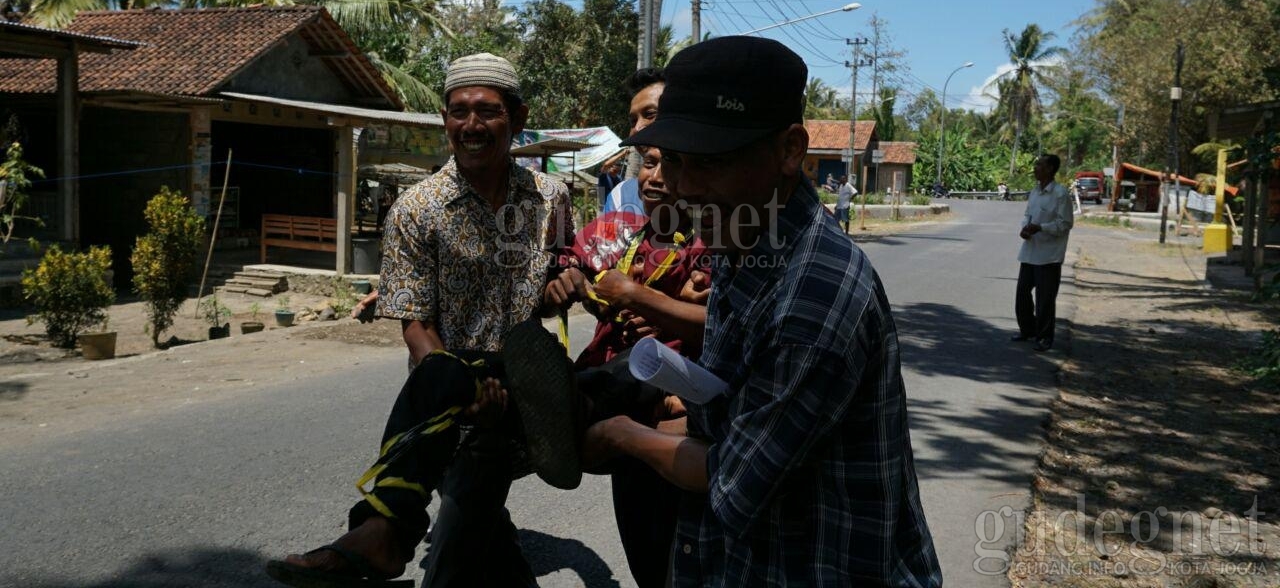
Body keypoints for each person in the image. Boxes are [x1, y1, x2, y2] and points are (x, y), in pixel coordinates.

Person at [583, 36, 942, 587]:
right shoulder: (742, 241)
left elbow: (730, 479)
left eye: (710, 163)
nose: (679, 186)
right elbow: (726, 406)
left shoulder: (810, 304)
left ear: (789, 150)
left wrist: (622, 436)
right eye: (672, 161)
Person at [269, 52, 576, 588]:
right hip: (446, 388)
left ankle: (384, 533)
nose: (471, 126)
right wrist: (462, 390)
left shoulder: (551, 198)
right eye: (459, 112)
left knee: (470, 512)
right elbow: (414, 323)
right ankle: (386, 533)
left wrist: (560, 288)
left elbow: (553, 286)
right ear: (444, 119)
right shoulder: (416, 208)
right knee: (471, 511)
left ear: (518, 119)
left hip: (525, 383)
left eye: (488, 111)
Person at [545, 144, 709, 588]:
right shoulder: (619, 231)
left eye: (670, 163)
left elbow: (723, 327)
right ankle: (549, 411)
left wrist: (655, 308)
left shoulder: (706, 244)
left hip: (668, 399)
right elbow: (564, 267)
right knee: (644, 550)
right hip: (615, 391)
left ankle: (553, 419)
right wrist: (570, 282)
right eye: (648, 164)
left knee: (670, 548)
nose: (655, 177)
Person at [1012, 154, 1073, 351]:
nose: (1035, 168)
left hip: (1049, 255)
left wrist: (1041, 228)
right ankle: (1027, 330)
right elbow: (1027, 215)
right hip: (1030, 252)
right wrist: (1025, 228)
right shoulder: (1034, 193)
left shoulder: (1060, 194)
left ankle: (1045, 336)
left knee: (1045, 298)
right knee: (1022, 293)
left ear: (1050, 169)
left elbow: (1065, 224)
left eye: (1039, 165)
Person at [603, 68, 664, 217]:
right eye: (633, 121)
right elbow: (605, 239)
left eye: (650, 115)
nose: (637, 128)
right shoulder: (620, 197)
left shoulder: (713, 193)